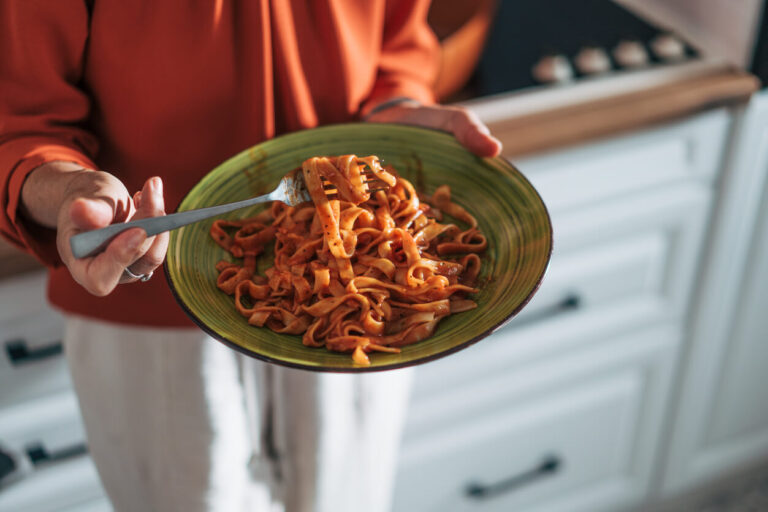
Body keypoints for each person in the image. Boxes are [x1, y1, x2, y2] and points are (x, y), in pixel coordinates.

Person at [0, 2, 501, 511]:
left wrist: (395, 108)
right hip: (147, 305)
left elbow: (397, 43)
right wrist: (69, 191)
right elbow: (21, 122)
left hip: (356, 316)